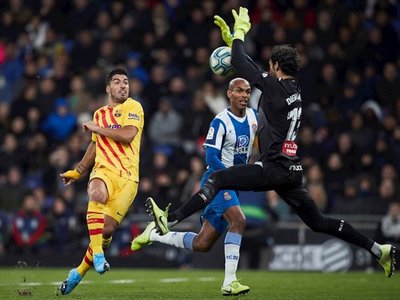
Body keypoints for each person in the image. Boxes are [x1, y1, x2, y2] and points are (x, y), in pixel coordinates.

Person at [146, 7, 396, 278]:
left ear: (276, 66)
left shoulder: (275, 87)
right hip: (291, 170)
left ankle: (170, 219)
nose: (268, 69)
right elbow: (250, 67)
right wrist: (234, 45)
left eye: (270, 65)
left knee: (217, 178)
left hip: (273, 167)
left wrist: (239, 35)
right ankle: (377, 249)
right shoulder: (294, 88)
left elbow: (243, 66)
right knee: (319, 222)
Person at [131, 78, 257, 296]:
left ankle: (154, 234)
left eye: (247, 91)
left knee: (202, 243)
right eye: (239, 91)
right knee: (239, 220)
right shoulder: (220, 121)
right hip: (218, 181)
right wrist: (232, 175)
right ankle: (230, 281)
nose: (244, 95)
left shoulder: (254, 117)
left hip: (233, 185)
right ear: (229, 93)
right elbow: (211, 156)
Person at [58, 68, 144, 295]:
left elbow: (127, 136)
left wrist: (96, 128)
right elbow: (95, 146)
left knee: (106, 230)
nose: (123, 85)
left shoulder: (133, 107)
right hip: (104, 171)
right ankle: (98, 255)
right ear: (108, 88)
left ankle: (78, 272)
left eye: (126, 82)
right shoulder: (99, 114)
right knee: (96, 193)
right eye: (117, 82)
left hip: (128, 178)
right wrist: (78, 172)